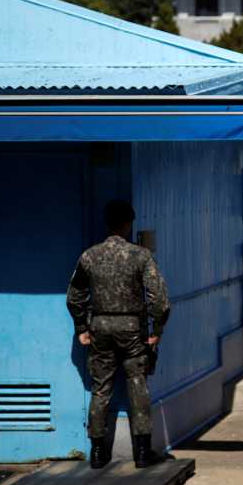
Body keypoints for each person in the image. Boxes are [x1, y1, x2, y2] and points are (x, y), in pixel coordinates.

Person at [66, 200, 171, 470]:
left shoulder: (89, 256)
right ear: (128, 224)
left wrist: (81, 328)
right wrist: (156, 331)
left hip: (100, 327)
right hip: (132, 328)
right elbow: (159, 299)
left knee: (101, 388)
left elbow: (74, 296)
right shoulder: (141, 256)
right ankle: (143, 453)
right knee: (137, 384)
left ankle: (98, 453)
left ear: (106, 223)